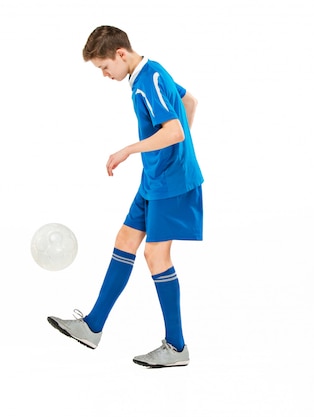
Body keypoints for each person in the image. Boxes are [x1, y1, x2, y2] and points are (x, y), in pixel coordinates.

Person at [47, 25, 204, 368]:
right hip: (155, 179)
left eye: (104, 67)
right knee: (125, 239)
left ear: (120, 54)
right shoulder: (146, 75)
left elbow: (175, 130)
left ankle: (176, 347)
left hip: (172, 183)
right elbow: (189, 102)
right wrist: (171, 153)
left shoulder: (151, 79)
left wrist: (130, 151)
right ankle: (93, 326)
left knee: (156, 257)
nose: (104, 75)